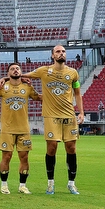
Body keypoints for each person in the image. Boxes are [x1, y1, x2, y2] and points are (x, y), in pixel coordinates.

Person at [23, 45, 85, 195]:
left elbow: (77, 93)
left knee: (71, 148)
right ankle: (50, 183)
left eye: (63, 51)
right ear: (52, 55)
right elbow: (26, 75)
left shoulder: (73, 73)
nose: (61, 53)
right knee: (52, 147)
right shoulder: (44, 71)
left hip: (69, 115)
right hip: (51, 116)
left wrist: (81, 112)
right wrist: (8, 78)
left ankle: (71, 183)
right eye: (58, 51)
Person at [0, 64, 41, 195]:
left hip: (24, 129)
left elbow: (38, 97)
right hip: (7, 129)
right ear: (8, 73)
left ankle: (22, 186)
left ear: (21, 72)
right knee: (6, 157)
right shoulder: (3, 87)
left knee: (24, 157)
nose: (15, 70)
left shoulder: (27, 87)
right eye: (12, 69)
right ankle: (4, 185)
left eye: (18, 68)